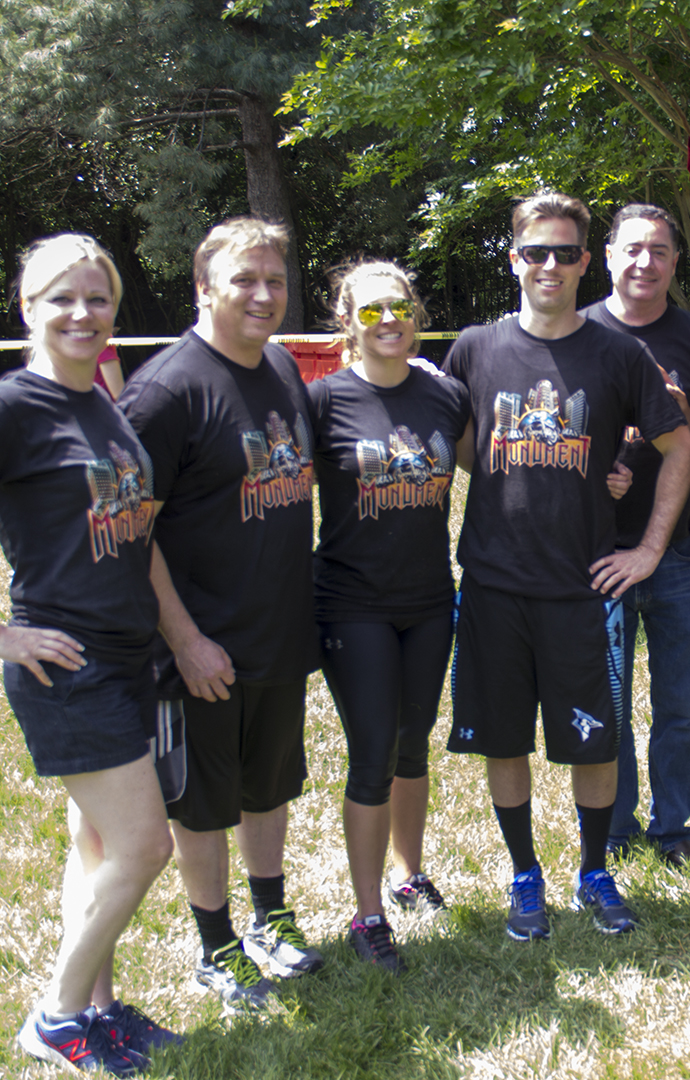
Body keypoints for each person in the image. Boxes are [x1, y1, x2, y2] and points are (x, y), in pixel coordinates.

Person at [442, 192, 690, 940]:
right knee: (505, 739)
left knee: (597, 740)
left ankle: (593, 870)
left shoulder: (619, 354)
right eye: (535, 252)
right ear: (514, 258)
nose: (549, 265)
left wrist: (648, 549)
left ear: (587, 261)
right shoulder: (475, 348)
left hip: (583, 590)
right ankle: (525, 874)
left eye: (564, 252)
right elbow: (461, 448)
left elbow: (679, 447)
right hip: (492, 584)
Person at [117, 217, 322, 1008]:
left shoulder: (277, 366)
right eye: (245, 280)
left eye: (274, 279)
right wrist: (186, 639)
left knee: (267, 786)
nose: (264, 295)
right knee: (202, 803)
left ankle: (271, 917)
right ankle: (216, 944)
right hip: (197, 646)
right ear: (204, 287)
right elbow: (131, 529)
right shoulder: (165, 391)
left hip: (275, 629)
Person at [4, 235, 177, 1074]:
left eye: (96, 298)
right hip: (64, 661)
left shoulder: (104, 400)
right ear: (27, 308)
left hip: (126, 647)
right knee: (146, 847)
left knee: (101, 849)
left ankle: (98, 1012)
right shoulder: (15, 406)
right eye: (60, 299)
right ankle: (57, 1015)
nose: (82, 313)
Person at [310, 261, 474, 971]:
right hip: (353, 602)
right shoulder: (321, 402)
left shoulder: (444, 397)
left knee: (414, 742)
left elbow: (495, 470)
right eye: (370, 310)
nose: (388, 321)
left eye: (400, 308)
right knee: (374, 750)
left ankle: (411, 875)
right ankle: (368, 912)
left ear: (416, 314)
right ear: (347, 319)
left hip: (430, 599)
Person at [580, 203, 690, 867]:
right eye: (633, 249)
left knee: (676, 703)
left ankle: (673, 831)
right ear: (608, 255)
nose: (645, 263)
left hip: (679, 552)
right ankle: (613, 829)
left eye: (660, 251)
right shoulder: (577, 331)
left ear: (675, 262)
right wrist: (597, 475)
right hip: (598, 555)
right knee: (607, 702)